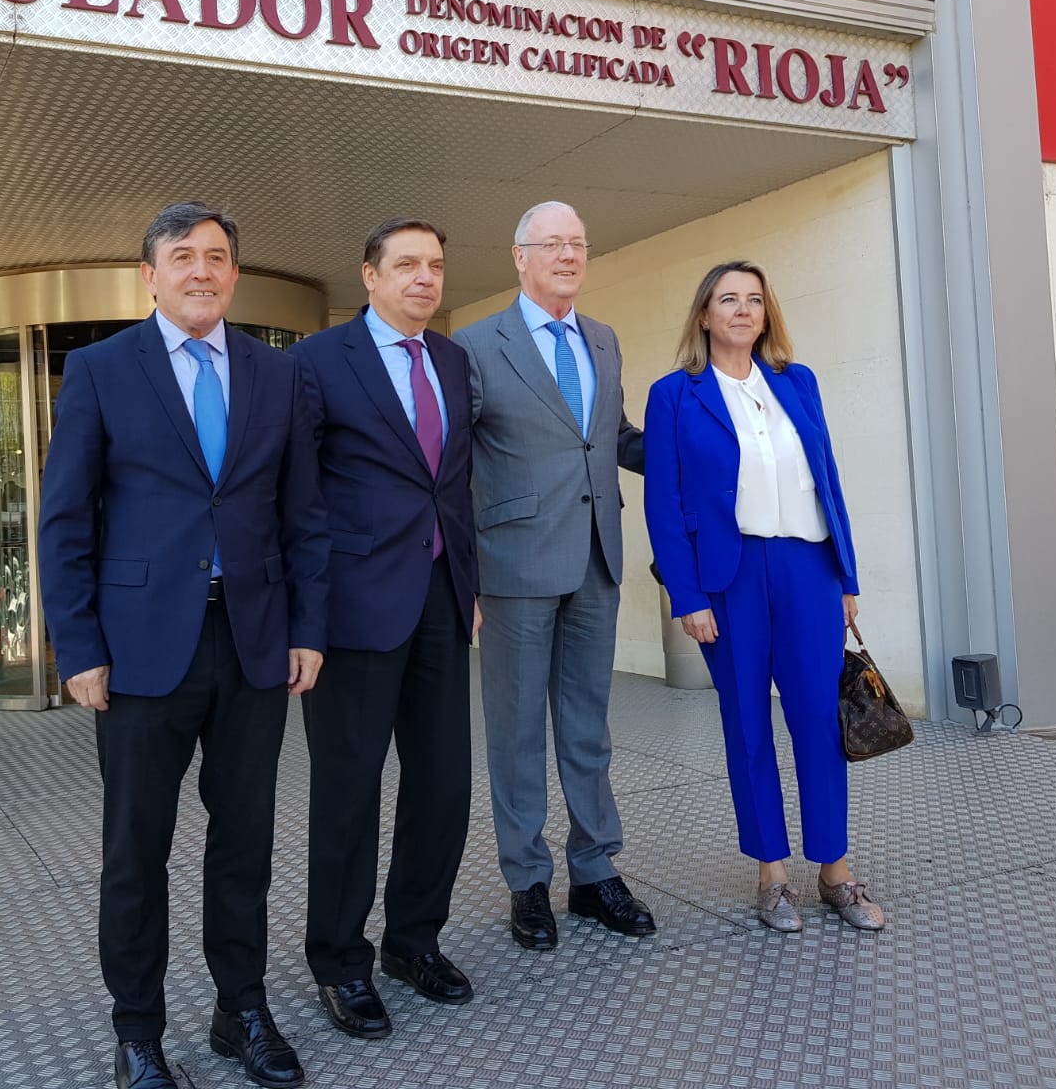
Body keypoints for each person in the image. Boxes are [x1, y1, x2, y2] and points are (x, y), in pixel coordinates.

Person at [37, 202, 327, 1089]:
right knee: (136, 850)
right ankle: (137, 1031)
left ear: (234, 274)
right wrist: (78, 646)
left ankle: (242, 1009)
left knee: (245, 843)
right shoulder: (99, 369)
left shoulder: (277, 374)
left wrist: (307, 628)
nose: (202, 270)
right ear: (150, 275)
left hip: (252, 643)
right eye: (183, 256)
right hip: (137, 650)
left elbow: (303, 515)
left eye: (218, 256)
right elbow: (65, 519)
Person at [643, 260, 884, 933]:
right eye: (728, 299)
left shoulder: (797, 382)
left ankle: (834, 870)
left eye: (754, 299)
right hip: (730, 575)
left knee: (819, 720)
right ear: (704, 315)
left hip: (808, 568)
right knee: (747, 722)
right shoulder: (674, 395)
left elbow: (827, 480)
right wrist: (687, 595)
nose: (743, 310)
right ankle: (771, 874)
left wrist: (846, 577)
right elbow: (664, 505)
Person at [290, 219, 478, 1040]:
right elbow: (295, 493)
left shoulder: (452, 360)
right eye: (406, 265)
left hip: (440, 596)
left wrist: (468, 582)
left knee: (443, 783)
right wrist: (304, 615)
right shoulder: (316, 361)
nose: (424, 278)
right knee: (348, 790)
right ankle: (339, 961)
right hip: (351, 605)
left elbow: (455, 484)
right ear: (369, 275)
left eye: (434, 265)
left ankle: (413, 942)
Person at [453, 200, 655, 951]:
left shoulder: (602, 339)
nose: (568, 255)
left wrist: (697, 437)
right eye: (553, 244)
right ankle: (527, 880)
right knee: (515, 733)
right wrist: (462, 572)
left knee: (587, 727)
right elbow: (452, 461)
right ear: (520, 256)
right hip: (513, 564)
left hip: (596, 555)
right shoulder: (476, 345)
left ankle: (594, 871)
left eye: (577, 244)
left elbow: (612, 437)